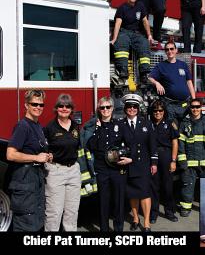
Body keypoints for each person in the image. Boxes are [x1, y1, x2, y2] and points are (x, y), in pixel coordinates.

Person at [6, 89, 52, 232]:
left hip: (36, 180)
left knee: (36, 224)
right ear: (26, 105)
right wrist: (36, 157)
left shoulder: (37, 126)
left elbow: (34, 150)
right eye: (34, 104)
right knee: (25, 226)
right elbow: (10, 154)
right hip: (24, 182)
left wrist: (46, 155)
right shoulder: (22, 126)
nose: (38, 107)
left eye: (41, 105)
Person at [88, 97, 132, 232]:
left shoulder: (120, 125)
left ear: (112, 109)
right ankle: (104, 230)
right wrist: (97, 129)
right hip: (101, 169)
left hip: (118, 169)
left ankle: (119, 230)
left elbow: (131, 145)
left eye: (108, 107)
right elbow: (90, 145)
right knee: (103, 202)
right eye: (102, 108)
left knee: (119, 202)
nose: (105, 110)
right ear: (98, 110)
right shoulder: (93, 126)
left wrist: (130, 159)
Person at [121, 93, 158, 232]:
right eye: (129, 106)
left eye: (135, 106)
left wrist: (154, 163)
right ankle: (135, 218)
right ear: (125, 108)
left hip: (143, 164)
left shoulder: (146, 123)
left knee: (144, 193)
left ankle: (146, 222)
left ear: (138, 108)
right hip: (128, 165)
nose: (132, 109)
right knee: (132, 194)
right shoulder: (121, 124)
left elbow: (152, 144)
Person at [43, 94, 81, 231]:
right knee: (54, 212)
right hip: (55, 171)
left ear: (72, 109)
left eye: (68, 106)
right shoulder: (50, 128)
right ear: (56, 108)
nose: (64, 108)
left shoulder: (76, 126)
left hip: (74, 171)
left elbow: (79, 147)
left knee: (72, 212)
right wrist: (47, 155)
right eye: (61, 106)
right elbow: (42, 148)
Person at [178, 98, 205, 217]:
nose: (195, 109)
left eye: (197, 107)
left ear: (201, 107)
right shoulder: (184, 123)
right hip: (190, 163)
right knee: (187, 185)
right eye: (193, 107)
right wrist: (182, 161)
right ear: (190, 108)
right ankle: (186, 207)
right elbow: (180, 143)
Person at [110, 0, 153, 84]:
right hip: (124, 31)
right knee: (121, 43)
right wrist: (114, 38)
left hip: (136, 33)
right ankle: (123, 70)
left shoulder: (140, 6)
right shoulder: (122, 8)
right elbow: (118, 23)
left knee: (144, 44)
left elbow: (145, 21)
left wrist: (149, 35)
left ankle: (144, 74)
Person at [148, 42, 195, 126]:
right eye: (167, 49)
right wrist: (157, 83)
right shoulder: (161, 66)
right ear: (165, 52)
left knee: (186, 127)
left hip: (185, 104)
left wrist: (194, 100)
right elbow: (150, 77)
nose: (169, 51)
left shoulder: (183, 65)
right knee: (172, 128)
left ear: (176, 50)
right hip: (170, 105)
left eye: (172, 49)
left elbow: (189, 82)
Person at [149, 100, 178, 224]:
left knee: (168, 187)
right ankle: (153, 213)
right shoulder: (148, 124)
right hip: (153, 158)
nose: (158, 113)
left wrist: (173, 161)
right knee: (154, 187)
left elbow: (175, 143)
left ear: (164, 111)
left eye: (160, 110)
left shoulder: (170, 123)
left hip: (166, 156)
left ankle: (169, 212)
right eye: (155, 111)